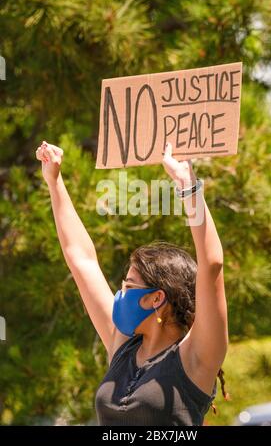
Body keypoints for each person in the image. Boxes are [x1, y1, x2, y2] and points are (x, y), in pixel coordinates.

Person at [35, 140, 229, 426]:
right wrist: (54, 181)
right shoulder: (123, 347)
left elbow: (211, 266)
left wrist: (189, 188)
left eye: (128, 285)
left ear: (156, 298)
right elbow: (82, 261)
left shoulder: (195, 357)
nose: (119, 293)